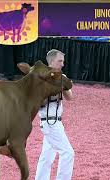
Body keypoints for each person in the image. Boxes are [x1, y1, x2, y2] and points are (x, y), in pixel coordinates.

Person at [35, 49, 75, 180]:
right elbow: (37, 102)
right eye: (60, 61)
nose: (63, 64)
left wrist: (65, 87)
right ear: (51, 61)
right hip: (49, 122)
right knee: (68, 153)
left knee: (47, 156)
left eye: (63, 61)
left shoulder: (62, 77)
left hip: (56, 122)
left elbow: (70, 97)